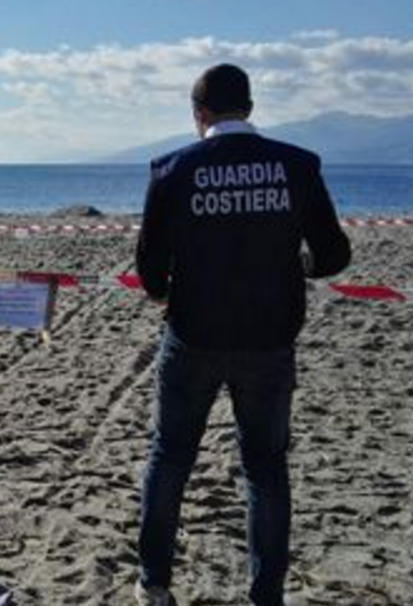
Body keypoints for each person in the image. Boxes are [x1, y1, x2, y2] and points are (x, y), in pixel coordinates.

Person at [133, 64, 351, 606]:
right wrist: (297, 265)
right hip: (269, 338)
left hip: (193, 335)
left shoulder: (173, 169)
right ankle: (265, 594)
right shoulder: (297, 166)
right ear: (250, 109)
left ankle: (155, 583)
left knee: (170, 457)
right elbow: (333, 254)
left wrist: (164, 293)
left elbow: (150, 267)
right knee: (265, 468)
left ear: (198, 113)